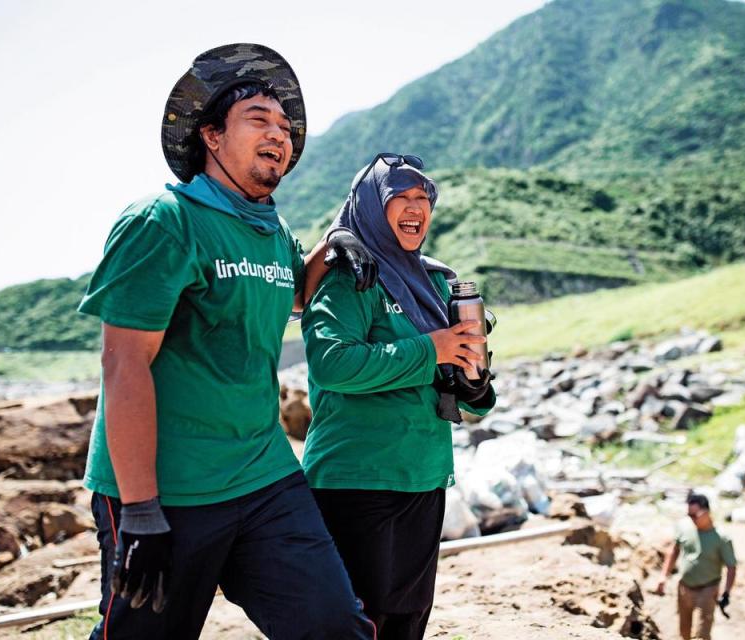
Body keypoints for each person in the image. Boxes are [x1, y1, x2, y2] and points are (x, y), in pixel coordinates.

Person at [77, 43, 376, 639]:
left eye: (285, 127)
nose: (280, 134)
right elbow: (124, 362)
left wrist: (330, 249)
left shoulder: (270, 228)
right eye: (258, 119)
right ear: (212, 137)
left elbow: (285, 290)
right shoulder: (164, 221)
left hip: (264, 476)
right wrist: (138, 511)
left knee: (334, 626)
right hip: (168, 491)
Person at [300, 153, 497, 639]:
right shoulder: (351, 277)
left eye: (422, 198)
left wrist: (474, 382)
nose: (415, 207)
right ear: (370, 206)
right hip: (356, 482)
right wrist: (431, 348)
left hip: (423, 478)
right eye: (399, 198)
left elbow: (467, 396)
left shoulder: (434, 282)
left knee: (407, 621)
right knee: (356, 623)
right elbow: (333, 364)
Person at [653, 493, 736, 640]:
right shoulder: (685, 527)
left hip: (707, 589)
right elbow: (674, 550)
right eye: (689, 515)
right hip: (684, 588)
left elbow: (731, 566)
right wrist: (663, 576)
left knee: (701, 634)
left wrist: (726, 593)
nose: (691, 519)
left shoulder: (721, 538)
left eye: (695, 515)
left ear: (706, 512)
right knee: (684, 631)